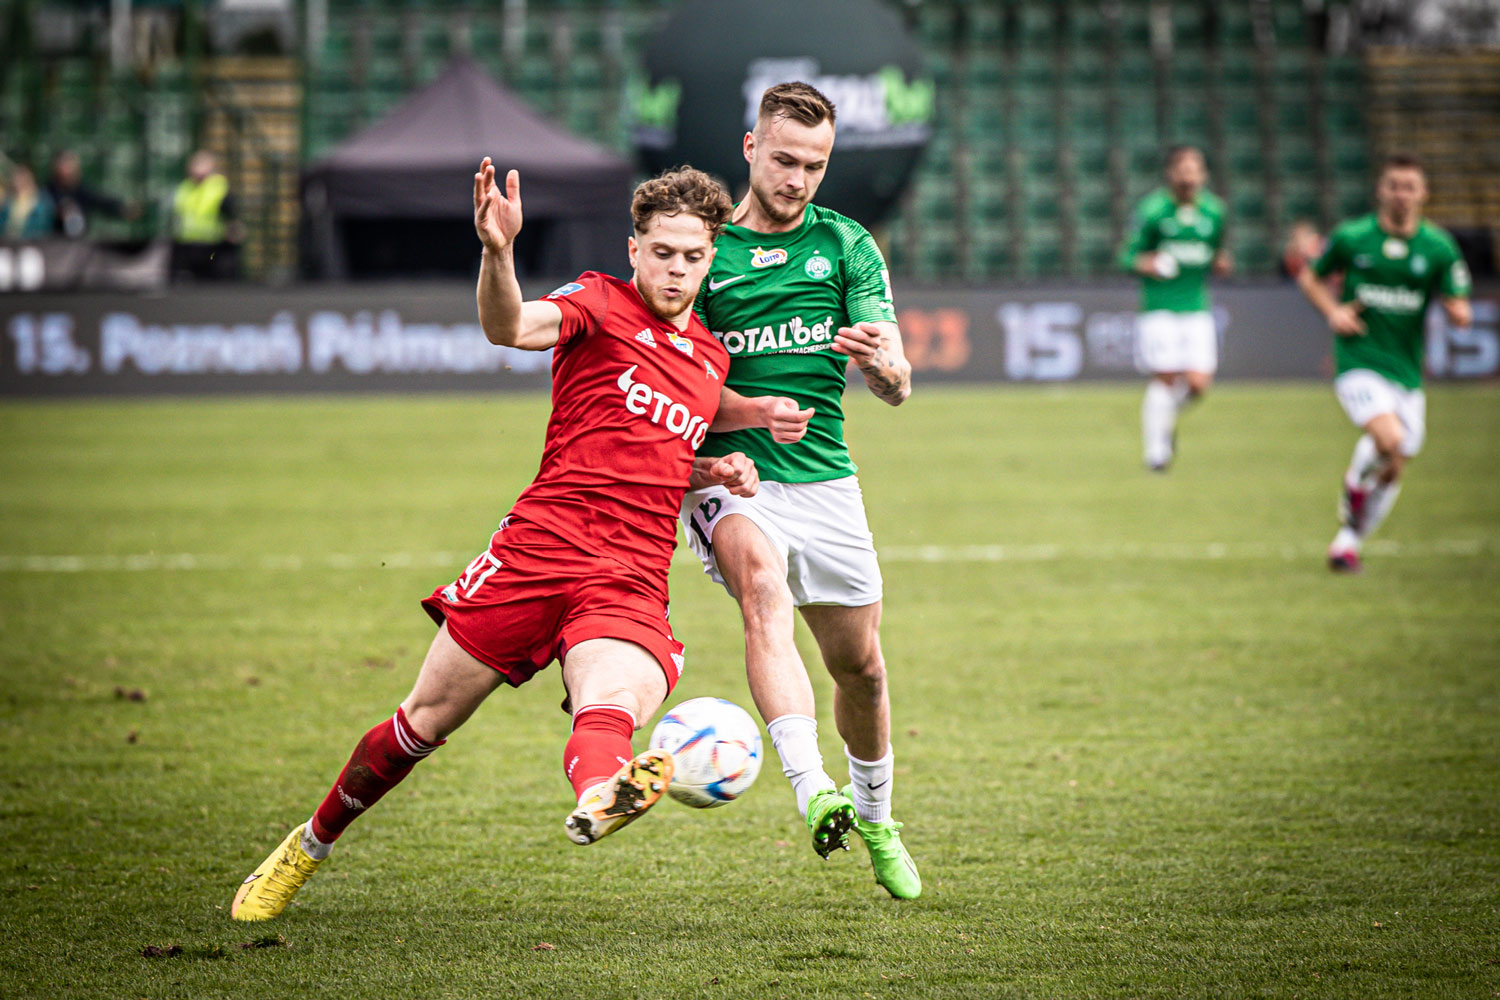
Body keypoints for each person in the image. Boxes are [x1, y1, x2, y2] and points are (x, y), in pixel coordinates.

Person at [231, 162, 802, 921]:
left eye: (693, 256)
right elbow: (510, 327)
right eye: (663, 252)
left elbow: (664, 446)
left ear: (711, 256)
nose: (676, 269)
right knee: (422, 722)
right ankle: (310, 844)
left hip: (628, 573)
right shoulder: (597, 301)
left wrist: (721, 461)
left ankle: (603, 791)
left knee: (614, 698)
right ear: (634, 250)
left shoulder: (708, 358)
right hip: (540, 546)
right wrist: (497, 252)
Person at [680, 82, 921, 899]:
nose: (798, 179)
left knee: (863, 671)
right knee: (760, 589)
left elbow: (894, 377)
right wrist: (731, 439)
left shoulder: (848, 245)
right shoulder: (701, 250)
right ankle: (810, 784)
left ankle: (878, 816)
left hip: (826, 480)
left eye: (814, 165)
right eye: (783, 159)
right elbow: (667, 383)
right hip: (731, 478)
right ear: (750, 148)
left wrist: (886, 372)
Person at [1295, 154, 1472, 573]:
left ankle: (1347, 541)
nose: (1402, 194)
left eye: (1410, 186)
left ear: (1423, 193)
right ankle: (1354, 482)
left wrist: (1458, 312)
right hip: (1359, 359)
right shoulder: (1353, 237)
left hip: (1406, 370)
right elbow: (1310, 277)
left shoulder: (1438, 248)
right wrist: (1333, 312)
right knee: (1388, 439)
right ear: (1381, 190)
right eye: (1394, 185)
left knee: (1394, 467)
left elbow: (1456, 298)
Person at [1119, 145, 1231, 471]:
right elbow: (1126, 257)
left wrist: (1220, 263)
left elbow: (1215, 253)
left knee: (1198, 383)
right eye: (1182, 169)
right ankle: (1157, 455)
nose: (1188, 176)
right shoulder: (1153, 211)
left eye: (1194, 169)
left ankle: (1161, 421)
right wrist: (1147, 263)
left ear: (1204, 174)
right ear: (1171, 173)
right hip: (1160, 307)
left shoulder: (1214, 212)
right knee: (1165, 376)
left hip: (1196, 306)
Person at [170, 150, 240, 281]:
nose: (198, 170)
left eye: (203, 165)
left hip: (213, 247)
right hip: (187, 246)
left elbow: (230, 213)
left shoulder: (218, 187)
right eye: (196, 165)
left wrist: (233, 230)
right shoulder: (184, 188)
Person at [47, 150, 139, 238]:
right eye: (64, 165)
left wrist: (122, 209)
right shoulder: (47, 192)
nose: (68, 170)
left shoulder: (82, 190)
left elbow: (102, 202)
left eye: (71, 165)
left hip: (79, 244)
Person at [0, 164, 56, 239]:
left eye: (22, 178)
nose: (19, 182)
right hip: (8, 243)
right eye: (17, 178)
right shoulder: (8, 201)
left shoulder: (42, 202)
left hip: (33, 243)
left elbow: (44, 227)